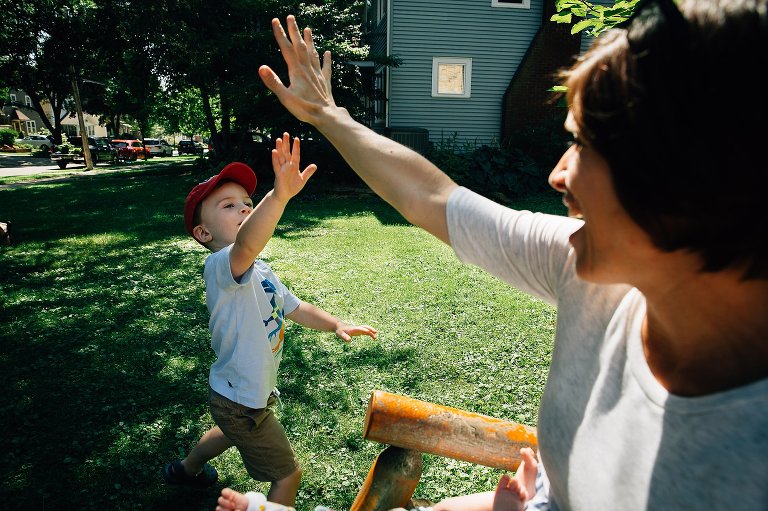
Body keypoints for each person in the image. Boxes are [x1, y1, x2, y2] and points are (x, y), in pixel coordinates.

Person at [257, 1, 768, 509]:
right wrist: (327, 115)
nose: (557, 176)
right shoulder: (587, 265)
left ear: (689, 176)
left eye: (583, 144)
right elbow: (433, 199)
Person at [163, 133, 378, 506]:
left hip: (236, 395)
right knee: (288, 474)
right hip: (242, 402)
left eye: (247, 203)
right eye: (229, 206)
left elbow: (295, 307)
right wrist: (277, 196)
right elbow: (247, 243)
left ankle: (186, 470)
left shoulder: (260, 270)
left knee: (228, 432)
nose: (245, 209)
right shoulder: (220, 266)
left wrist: (336, 323)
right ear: (203, 233)